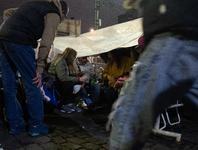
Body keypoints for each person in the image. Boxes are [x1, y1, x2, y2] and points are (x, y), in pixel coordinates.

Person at [107, 0, 198, 149]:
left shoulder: (160, 47)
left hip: (173, 29)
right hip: (182, 29)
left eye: (140, 50)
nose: (140, 52)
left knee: (127, 119)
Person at [0, 0, 68, 136]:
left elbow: (8, 13)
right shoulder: (54, 13)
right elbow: (47, 42)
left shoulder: (37, 6)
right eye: (63, 19)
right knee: (33, 83)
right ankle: (36, 125)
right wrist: (39, 69)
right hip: (20, 41)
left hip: (2, 37)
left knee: (9, 86)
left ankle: (15, 124)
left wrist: (12, 30)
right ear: (63, 13)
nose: (61, 21)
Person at [48, 47, 86, 113]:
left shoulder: (67, 62)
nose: (75, 58)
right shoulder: (60, 62)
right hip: (54, 81)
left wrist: (79, 78)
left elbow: (68, 74)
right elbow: (62, 78)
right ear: (70, 56)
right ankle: (64, 104)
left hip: (60, 80)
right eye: (74, 56)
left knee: (78, 83)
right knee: (69, 85)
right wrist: (78, 79)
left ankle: (71, 103)